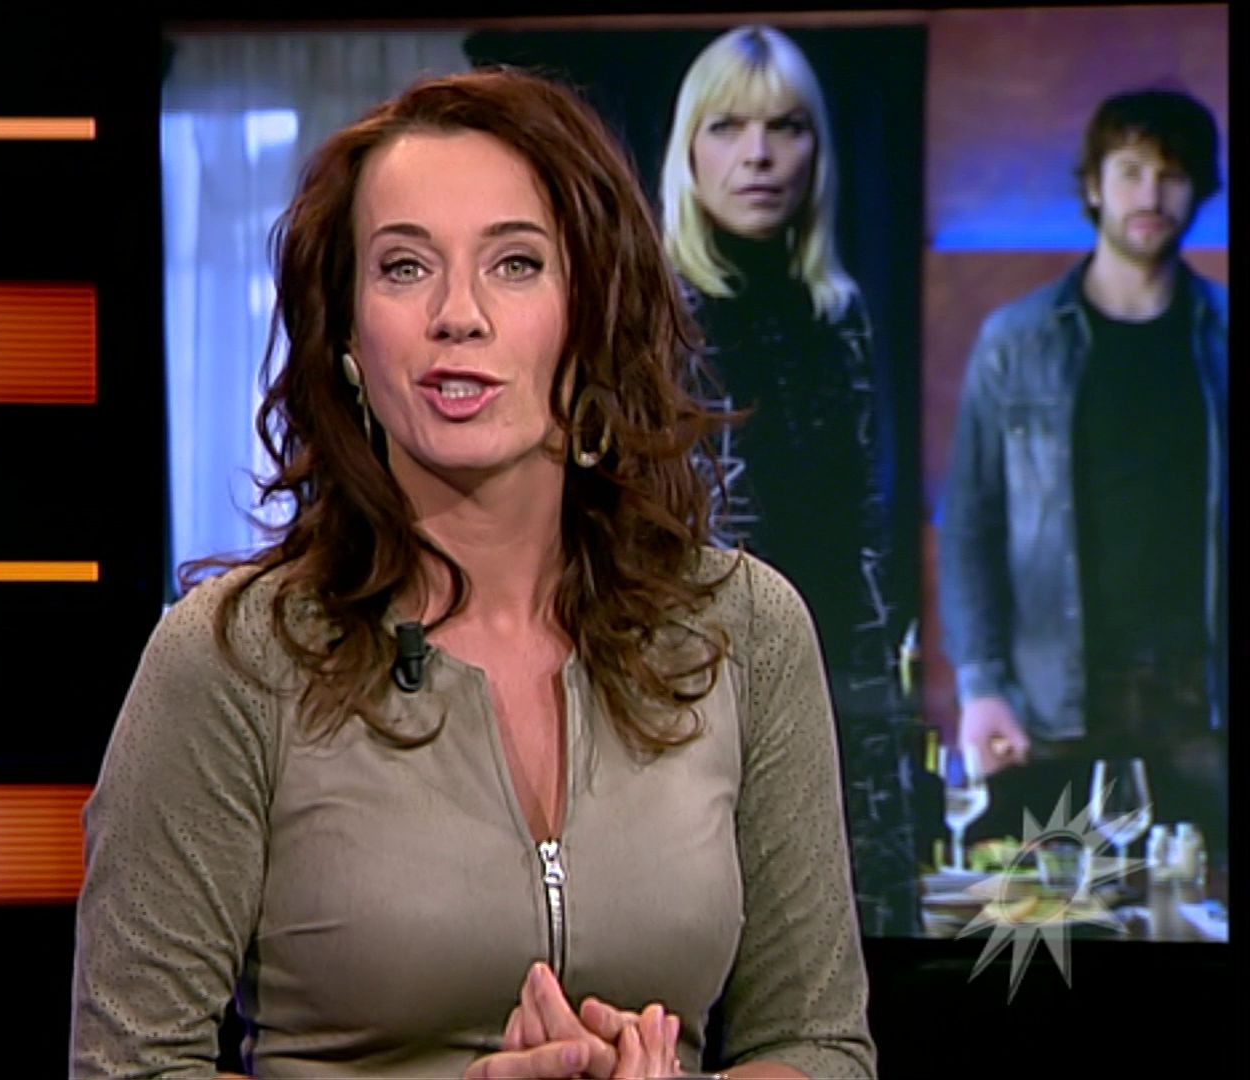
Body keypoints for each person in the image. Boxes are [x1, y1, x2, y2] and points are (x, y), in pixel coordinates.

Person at [71, 68, 875, 1078]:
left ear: (591, 311)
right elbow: (131, 1066)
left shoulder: (744, 630)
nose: (458, 314)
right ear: (348, 335)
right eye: (405, 267)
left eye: (516, 264)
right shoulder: (234, 658)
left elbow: (818, 1045)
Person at [658, 26, 919, 937]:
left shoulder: (841, 315)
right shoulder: (646, 316)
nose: (759, 154)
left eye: (786, 127)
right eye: (728, 126)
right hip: (698, 692)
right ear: (689, 150)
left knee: (860, 939)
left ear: (817, 149)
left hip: (849, 677)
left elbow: (866, 521)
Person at [938, 86, 1228, 864]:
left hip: (1202, 701)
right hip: (1054, 700)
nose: (1150, 195)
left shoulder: (1220, 336)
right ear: (1094, 185)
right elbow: (970, 526)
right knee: (1051, 918)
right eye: (1130, 171)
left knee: (1203, 917)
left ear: (1199, 188)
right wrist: (981, 686)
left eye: (1172, 174)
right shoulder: (1017, 342)